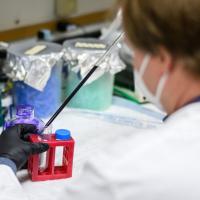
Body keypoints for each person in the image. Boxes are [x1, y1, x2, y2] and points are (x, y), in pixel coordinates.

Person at [1, 0, 200, 199]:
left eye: (135, 51)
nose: (135, 62)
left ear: (163, 59)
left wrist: (4, 164)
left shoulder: (121, 171)